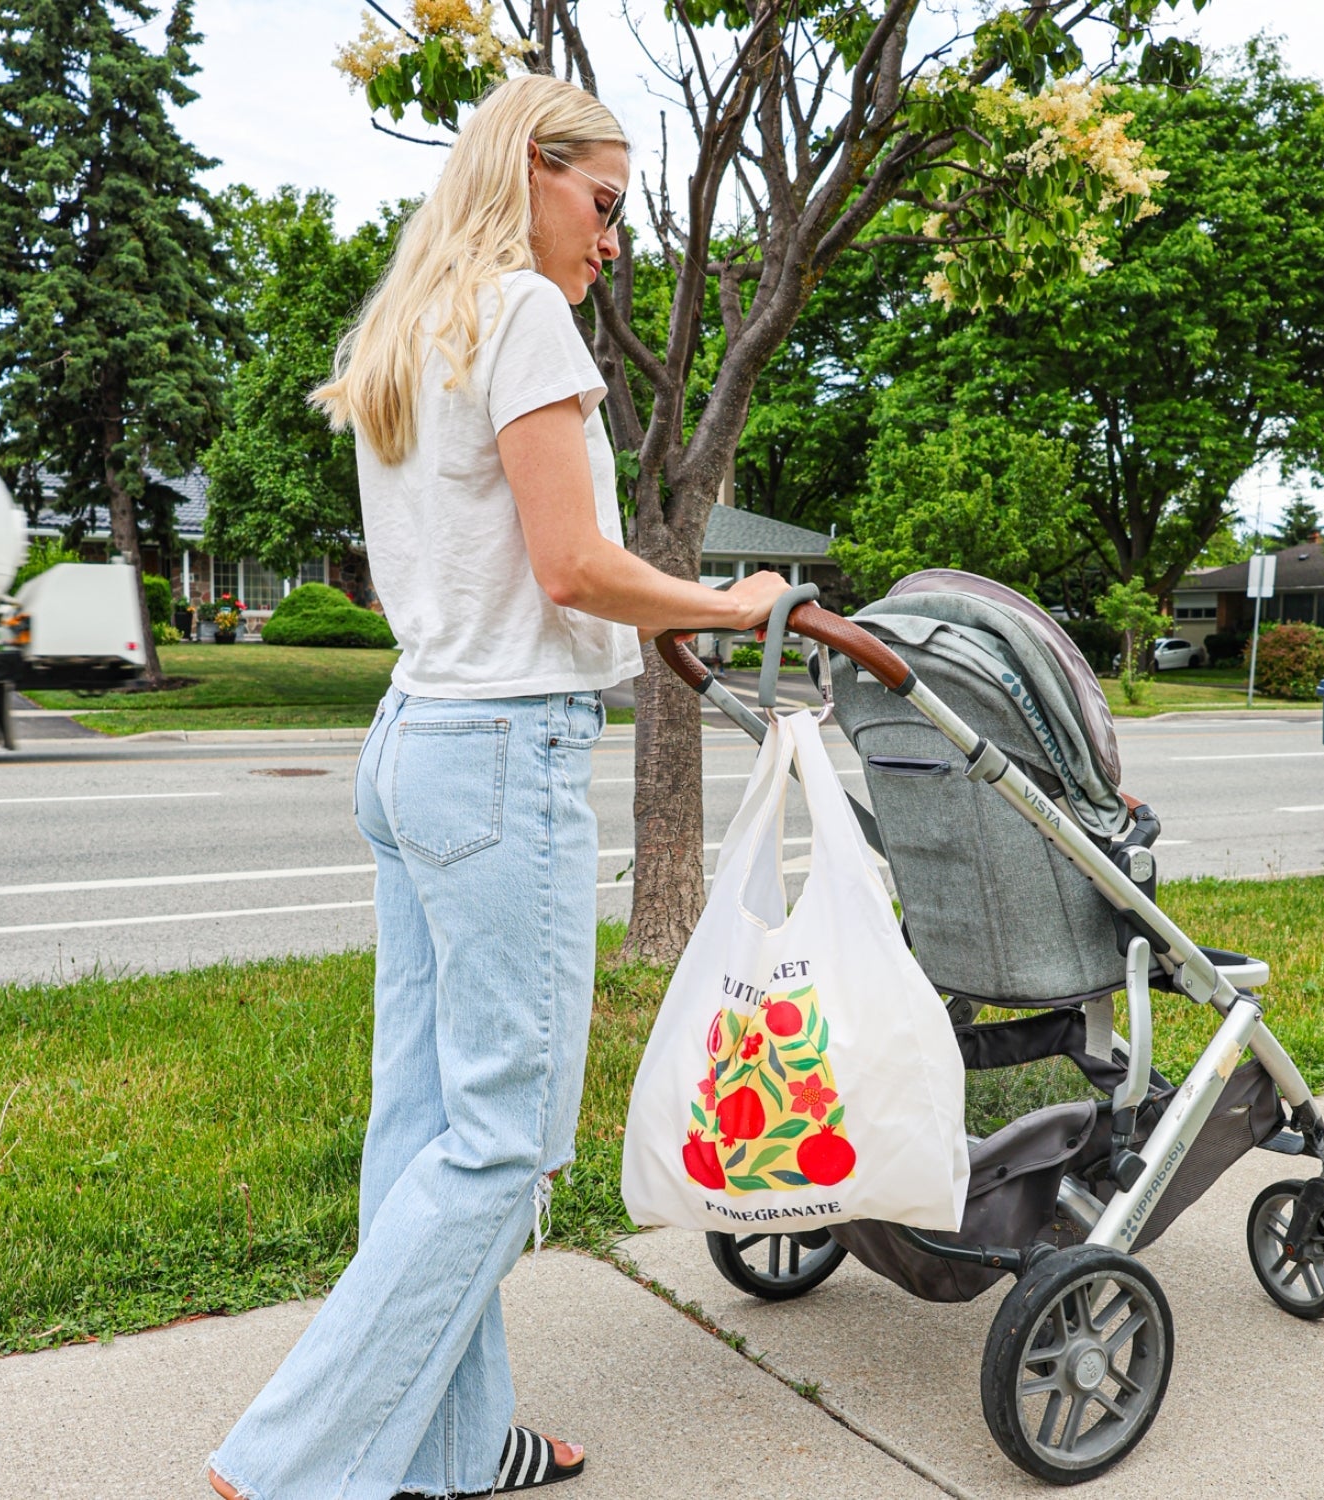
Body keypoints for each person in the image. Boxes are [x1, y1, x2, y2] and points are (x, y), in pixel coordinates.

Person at [206, 73, 788, 1500]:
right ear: (532, 167)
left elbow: (516, 567)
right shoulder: (522, 311)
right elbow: (572, 565)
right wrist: (728, 602)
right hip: (499, 757)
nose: (614, 239)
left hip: (416, 740)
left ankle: (453, 1446)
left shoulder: (413, 322)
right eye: (604, 201)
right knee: (504, 1145)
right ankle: (289, 1465)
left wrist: (641, 615)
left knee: (424, 1130)